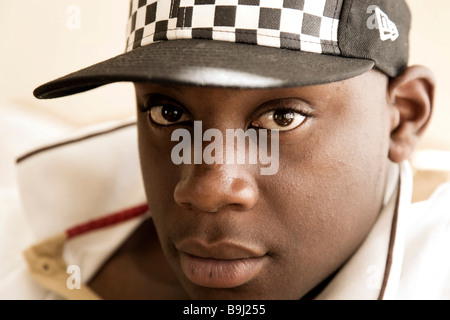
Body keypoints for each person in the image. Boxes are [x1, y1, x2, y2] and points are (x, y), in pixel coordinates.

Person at [1, 0, 449, 300]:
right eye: (168, 114)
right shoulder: (21, 221)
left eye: (281, 118)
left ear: (403, 116)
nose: (207, 189)